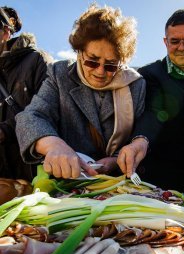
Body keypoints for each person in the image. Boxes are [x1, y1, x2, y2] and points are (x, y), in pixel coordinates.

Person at [16, 4, 146, 179]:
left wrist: (115, 161)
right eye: (92, 61)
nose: (100, 71)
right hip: (69, 183)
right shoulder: (60, 75)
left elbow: (140, 135)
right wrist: (53, 145)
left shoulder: (135, 85)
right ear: (79, 52)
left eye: (110, 65)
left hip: (118, 183)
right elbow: (31, 117)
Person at [117, 9, 184, 192]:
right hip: (166, 183)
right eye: (174, 41)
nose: (181, 47)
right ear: (165, 42)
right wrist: (140, 141)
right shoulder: (150, 74)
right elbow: (154, 112)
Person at [0, 6, 52, 181]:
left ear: (6, 32)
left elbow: (47, 110)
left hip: (32, 171)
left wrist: (4, 131)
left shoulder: (37, 60)